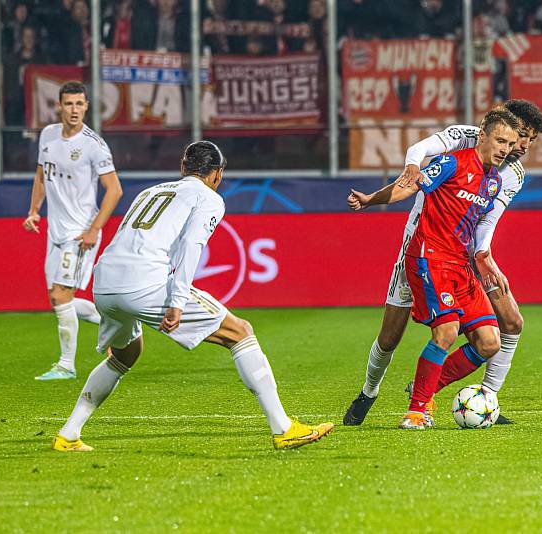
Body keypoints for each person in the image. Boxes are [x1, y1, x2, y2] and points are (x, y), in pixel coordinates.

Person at [51, 141, 334, 452]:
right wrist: (177, 301)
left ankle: (69, 434)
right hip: (144, 282)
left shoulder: (151, 191)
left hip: (104, 282)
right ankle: (284, 428)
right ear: (217, 174)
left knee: (124, 355)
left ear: (183, 168)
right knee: (240, 333)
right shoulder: (209, 198)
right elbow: (191, 246)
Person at [343, 100, 542, 427]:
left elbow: (487, 221)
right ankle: (371, 391)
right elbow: (418, 159)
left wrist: (484, 255)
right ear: (492, 131)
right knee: (392, 337)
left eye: (527, 140)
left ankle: (480, 397)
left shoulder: (506, 177)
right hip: (423, 248)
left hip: (467, 256)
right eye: (516, 136)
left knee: (508, 324)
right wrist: (389, 185)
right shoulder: (461, 146)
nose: (520, 146)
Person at [23, 81, 123, 381]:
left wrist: (94, 230)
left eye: (80, 104)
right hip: (56, 232)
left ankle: (67, 365)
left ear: (87, 106)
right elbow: (41, 175)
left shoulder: (94, 145)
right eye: (69, 104)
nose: (74, 110)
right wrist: (34, 211)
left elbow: (114, 191)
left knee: (62, 294)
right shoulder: (49, 135)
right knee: (56, 299)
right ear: (59, 106)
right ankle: (116, 324)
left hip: (80, 234)